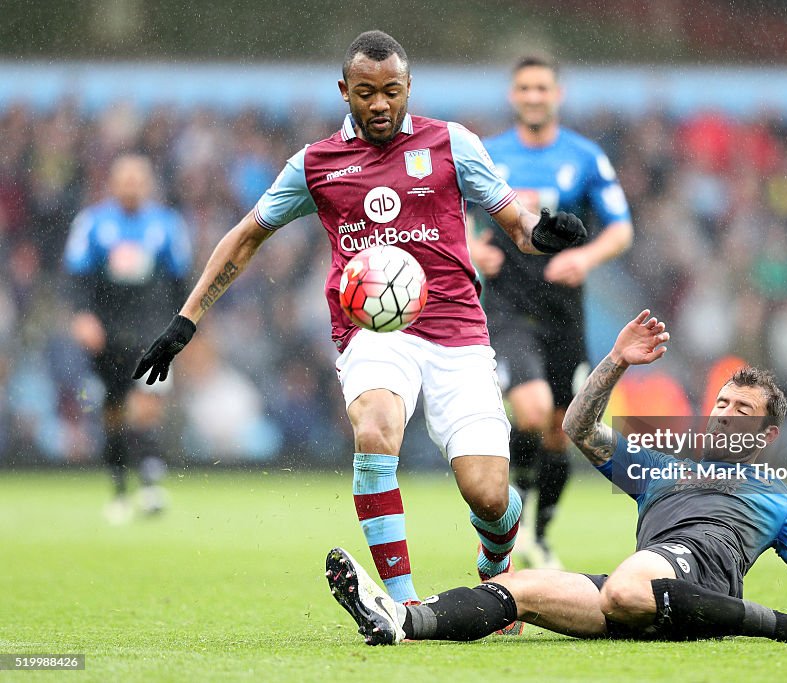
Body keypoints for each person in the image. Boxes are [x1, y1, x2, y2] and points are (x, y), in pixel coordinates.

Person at [132, 31, 588, 614]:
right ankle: (401, 605)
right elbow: (247, 236)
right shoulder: (316, 163)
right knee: (375, 428)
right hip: (372, 332)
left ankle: (495, 566)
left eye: (391, 92)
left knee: (489, 493)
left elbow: (516, 220)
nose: (379, 104)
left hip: (457, 330)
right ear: (345, 90)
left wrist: (540, 233)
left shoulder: (453, 145)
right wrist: (185, 321)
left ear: (408, 88)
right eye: (366, 92)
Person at [325, 310, 787, 645]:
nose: (723, 415)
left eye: (741, 411)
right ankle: (400, 620)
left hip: (694, 583)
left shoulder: (779, 500)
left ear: (766, 434)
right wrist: (619, 361)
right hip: (643, 584)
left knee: (630, 582)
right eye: (720, 402)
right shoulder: (662, 464)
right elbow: (577, 428)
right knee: (512, 588)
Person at [470, 55, 634, 569]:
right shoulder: (485, 154)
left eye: (542, 87)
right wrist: (472, 248)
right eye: (525, 87)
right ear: (512, 95)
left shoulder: (584, 157)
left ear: (557, 94)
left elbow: (621, 228)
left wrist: (584, 256)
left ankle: (538, 536)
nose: (533, 95)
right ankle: (511, 526)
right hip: (507, 304)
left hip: (564, 311)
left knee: (562, 428)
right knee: (534, 408)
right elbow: (444, 215)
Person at [64, 154, 192, 523]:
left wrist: (183, 323)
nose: (132, 185)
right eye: (125, 178)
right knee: (114, 410)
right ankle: (120, 488)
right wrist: (82, 316)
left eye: (138, 178)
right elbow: (76, 277)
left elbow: (179, 281)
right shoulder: (93, 223)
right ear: (112, 183)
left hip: (151, 327)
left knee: (147, 401)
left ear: (149, 183)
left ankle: (151, 481)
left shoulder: (167, 225)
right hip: (107, 332)